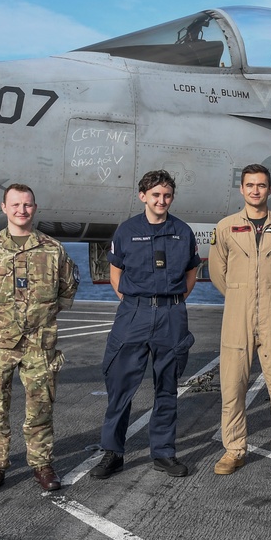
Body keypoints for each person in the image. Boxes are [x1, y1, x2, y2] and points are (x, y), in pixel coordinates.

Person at [0, 184, 79, 495]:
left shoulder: (53, 249)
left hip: (40, 345)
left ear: (35, 208)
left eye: (27, 205)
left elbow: (66, 293)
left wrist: (39, 318)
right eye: (15, 204)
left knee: (40, 408)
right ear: (4, 207)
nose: (21, 210)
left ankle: (41, 464)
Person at [90, 170, 200, 480]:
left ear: (171, 198)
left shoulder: (183, 231)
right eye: (155, 195)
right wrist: (137, 302)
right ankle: (113, 453)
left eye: (166, 195)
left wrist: (170, 303)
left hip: (171, 316)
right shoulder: (126, 231)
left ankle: (164, 453)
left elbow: (191, 274)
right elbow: (115, 272)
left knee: (167, 387)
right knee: (121, 386)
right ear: (143, 197)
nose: (161, 200)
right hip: (134, 315)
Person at [209, 164, 271, 475]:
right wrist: (240, 294)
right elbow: (216, 272)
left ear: (269, 189)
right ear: (242, 189)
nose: (255, 190)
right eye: (250, 185)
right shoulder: (226, 227)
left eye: (261, 185)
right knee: (233, 384)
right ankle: (234, 449)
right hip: (237, 313)